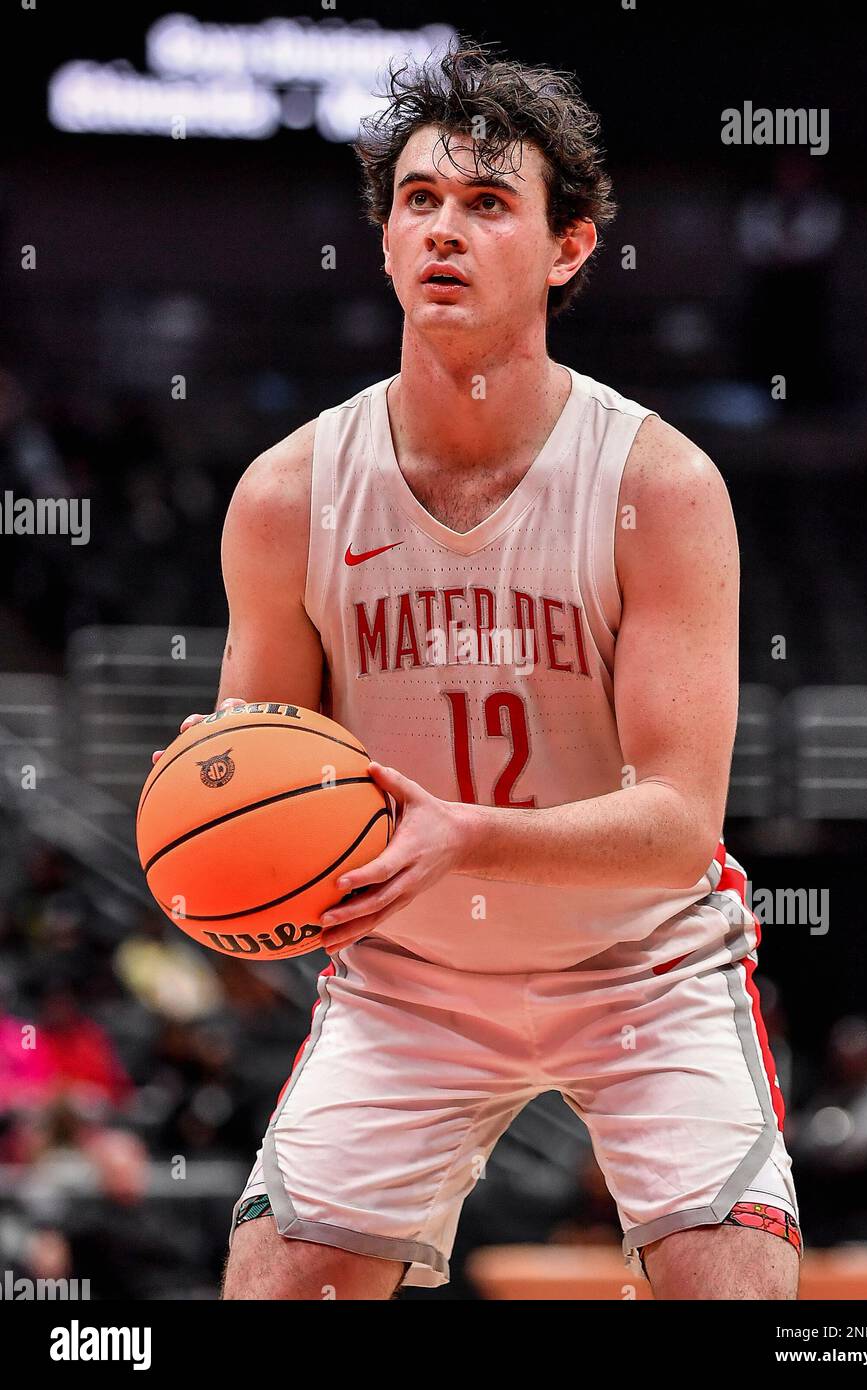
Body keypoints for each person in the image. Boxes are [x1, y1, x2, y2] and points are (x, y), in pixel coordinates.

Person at [154, 41, 801, 1299]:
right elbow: (262, 778)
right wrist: (224, 817)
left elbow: (681, 827)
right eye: (420, 202)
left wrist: (465, 836)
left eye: (489, 202)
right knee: (273, 1284)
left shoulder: (657, 486)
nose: (445, 229)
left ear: (568, 248)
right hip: (411, 978)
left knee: (735, 1289)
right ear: (388, 243)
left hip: (642, 963)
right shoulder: (286, 496)